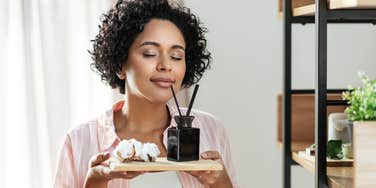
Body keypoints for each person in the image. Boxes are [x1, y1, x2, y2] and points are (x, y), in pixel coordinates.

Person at [54, 0, 238, 187]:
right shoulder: (80, 140)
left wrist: (221, 183)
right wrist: (95, 181)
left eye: (176, 56)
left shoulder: (211, 130)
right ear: (120, 64)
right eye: (150, 53)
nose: (166, 65)